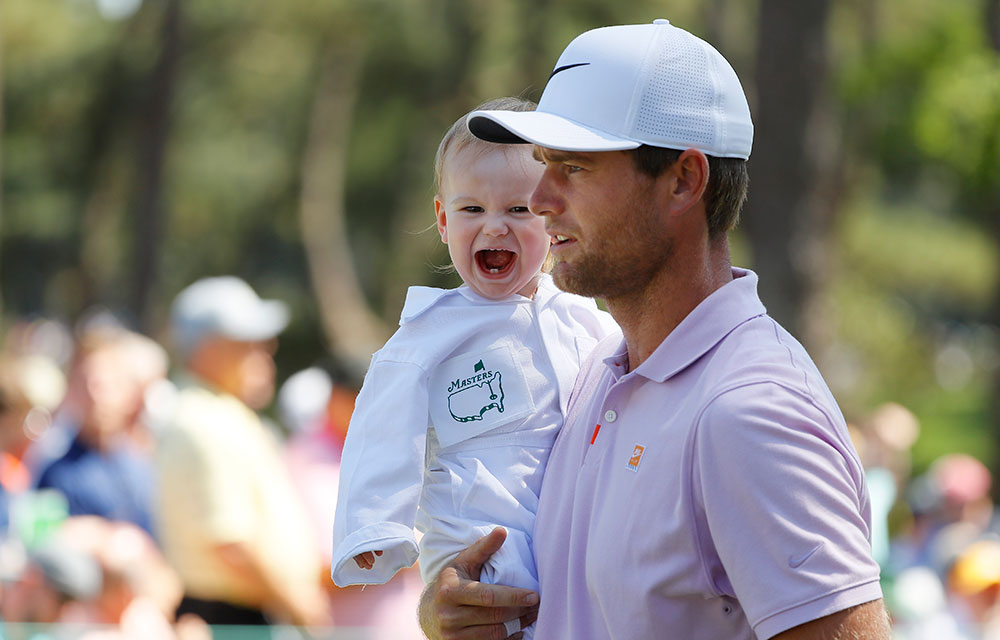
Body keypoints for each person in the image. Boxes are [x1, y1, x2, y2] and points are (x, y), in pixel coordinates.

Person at [420, 19, 890, 639]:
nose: (539, 198)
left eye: (575, 168)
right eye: (544, 165)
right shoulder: (595, 373)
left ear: (684, 180)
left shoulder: (749, 412)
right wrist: (447, 613)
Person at [330, 97, 619, 637]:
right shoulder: (429, 333)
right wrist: (373, 526)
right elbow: (382, 428)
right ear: (442, 219)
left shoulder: (587, 318)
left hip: (572, 530)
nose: (494, 228)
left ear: (553, 217)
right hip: (476, 527)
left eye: (518, 209)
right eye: (472, 210)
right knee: (496, 600)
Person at [153, 276, 330, 630]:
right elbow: (230, 543)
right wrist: (298, 604)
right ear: (210, 350)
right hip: (225, 619)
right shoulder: (201, 421)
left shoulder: (219, 414)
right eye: (249, 343)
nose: (267, 351)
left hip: (245, 613)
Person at [35, 325, 165, 538]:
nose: (96, 397)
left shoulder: (143, 465)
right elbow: (42, 544)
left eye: (107, 385)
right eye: (87, 384)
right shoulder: (54, 474)